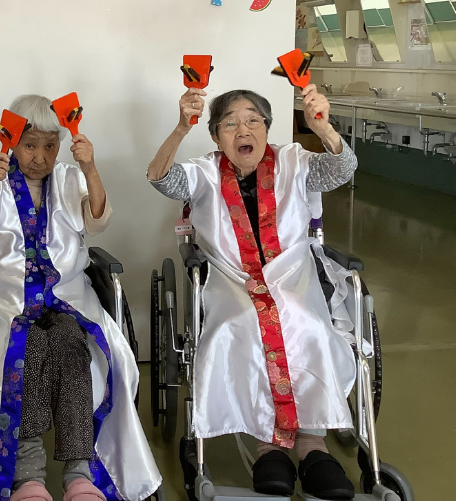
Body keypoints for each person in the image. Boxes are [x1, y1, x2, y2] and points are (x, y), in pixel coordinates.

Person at [0, 95, 161, 501]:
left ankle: (79, 474)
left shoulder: (69, 178)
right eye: (30, 145)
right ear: (12, 140)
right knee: (26, 347)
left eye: (49, 146)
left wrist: (90, 167)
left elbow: (98, 221)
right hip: (4, 305)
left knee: (70, 343)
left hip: (66, 300)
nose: (40, 157)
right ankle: (29, 475)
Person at [146, 85, 358, 500]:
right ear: (215, 136)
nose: (243, 130)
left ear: (267, 127)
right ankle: (268, 448)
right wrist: (180, 127)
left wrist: (323, 128)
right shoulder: (205, 172)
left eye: (253, 121)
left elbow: (342, 170)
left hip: (291, 278)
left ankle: (313, 446)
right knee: (241, 326)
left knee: (309, 325)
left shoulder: (294, 162)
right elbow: (160, 178)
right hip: (232, 281)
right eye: (230, 124)